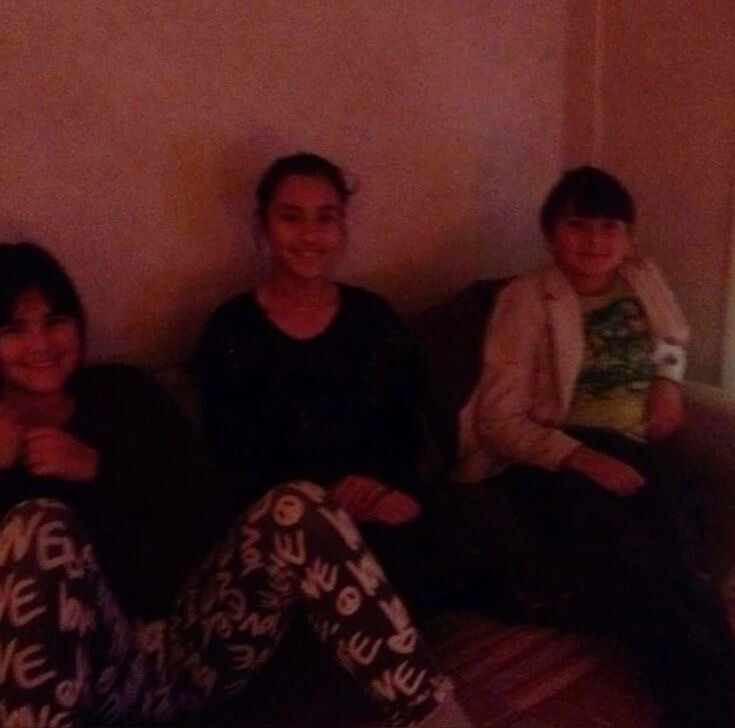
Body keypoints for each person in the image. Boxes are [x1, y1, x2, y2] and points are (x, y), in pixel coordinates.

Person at [0, 241, 468, 727]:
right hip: (85, 677)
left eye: (55, 321)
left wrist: (100, 469)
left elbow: (206, 508)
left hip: (194, 641)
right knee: (38, 525)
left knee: (298, 503)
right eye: (13, 330)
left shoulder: (123, 393)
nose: (41, 344)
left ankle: (438, 719)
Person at [453, 166, 735, 728]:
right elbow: (496, 419)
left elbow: (672, 336)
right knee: (640, 568)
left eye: (610, 226)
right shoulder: (526, 298)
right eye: (577, 225)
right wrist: (582, 458)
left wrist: (667, 382)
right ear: (550, 233)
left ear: (628, 236)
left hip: (632, 445)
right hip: (554, 455)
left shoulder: (642, 277)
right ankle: (701, 708)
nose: (595, 240)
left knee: (679, 561)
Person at [191, 153, 433, 605]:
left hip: (382, 511)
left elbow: (420, 422)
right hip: (286, 533)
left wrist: (381, 486)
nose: (310, 235)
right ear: (262, 226)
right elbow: (229, 461)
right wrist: (325, 503)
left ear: (342, 226)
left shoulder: (373, 319)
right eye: (291, 217)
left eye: (326, 217)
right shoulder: (231, 331)